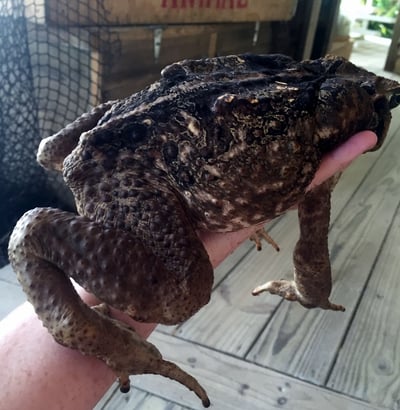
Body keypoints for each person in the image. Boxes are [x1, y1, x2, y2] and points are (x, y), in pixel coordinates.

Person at [0, 131, 378, 410]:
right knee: (182, 292)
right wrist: (99, 337)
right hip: (133, 176)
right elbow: (30, 233)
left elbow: (52, 151)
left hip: (134, 143)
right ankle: (82, 330)